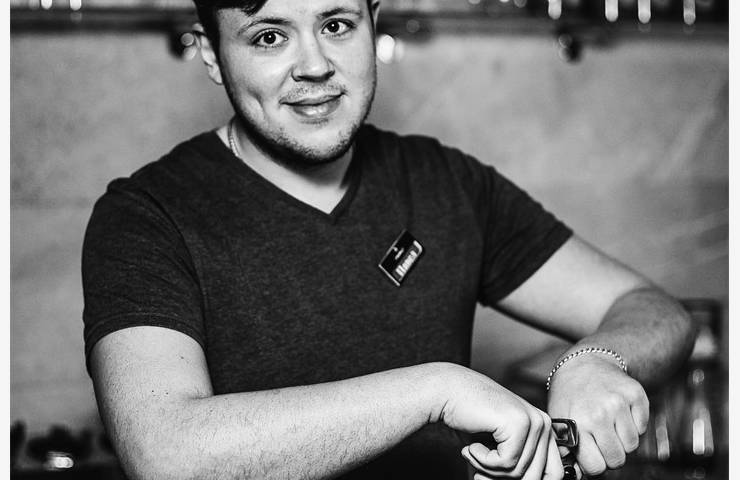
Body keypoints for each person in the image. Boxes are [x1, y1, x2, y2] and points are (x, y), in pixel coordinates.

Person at [81, 1, 696, 479]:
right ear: (212, 54)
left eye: (337, 25)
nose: (315, 65)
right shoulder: (147, 216)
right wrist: (434, 391)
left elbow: (655, 312)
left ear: (373, 24)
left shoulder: (445, 182)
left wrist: (596, 360)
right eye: (268, 36)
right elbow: (165, 454)